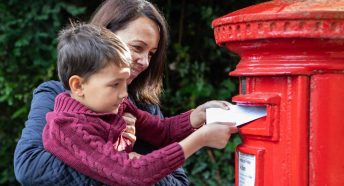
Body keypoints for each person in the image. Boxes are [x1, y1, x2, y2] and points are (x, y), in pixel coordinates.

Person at [13, 0, 237, 185]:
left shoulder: (126, 102)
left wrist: (196, 116)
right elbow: (31, 168)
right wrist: (120, 165)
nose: (145, 62)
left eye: (152, 53)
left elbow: (163, 136)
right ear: (106, 36)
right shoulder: (64, 116)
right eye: (138, 47)